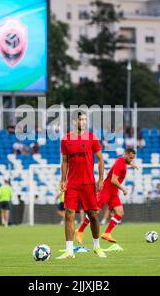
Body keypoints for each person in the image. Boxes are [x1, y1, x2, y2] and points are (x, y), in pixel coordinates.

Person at [57, 110, 106, 259]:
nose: (83, 122)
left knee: (92, 215)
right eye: (80, 120)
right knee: (69, 214)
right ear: (74, 122)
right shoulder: (65, 140)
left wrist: (101, 179)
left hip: (88, 183)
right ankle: (69, 251)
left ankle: (97, 247)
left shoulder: (93, 138)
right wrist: (63, 180)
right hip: (72, 184)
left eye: (85, 119)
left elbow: (100, 160)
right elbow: (65, 161)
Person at [75, 148, 138, 243]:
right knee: (95, 212)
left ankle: (107, 233)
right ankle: (80, 231)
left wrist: (130, 164)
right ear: (125, 154)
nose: (131, 159)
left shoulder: (121, 160)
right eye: (130, 158)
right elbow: (113, 180)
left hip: (113, 192)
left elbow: (124, 163)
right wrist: (123, 188)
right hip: (106, 190)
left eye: (132, 158)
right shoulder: (120, 163)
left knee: (120, 212)